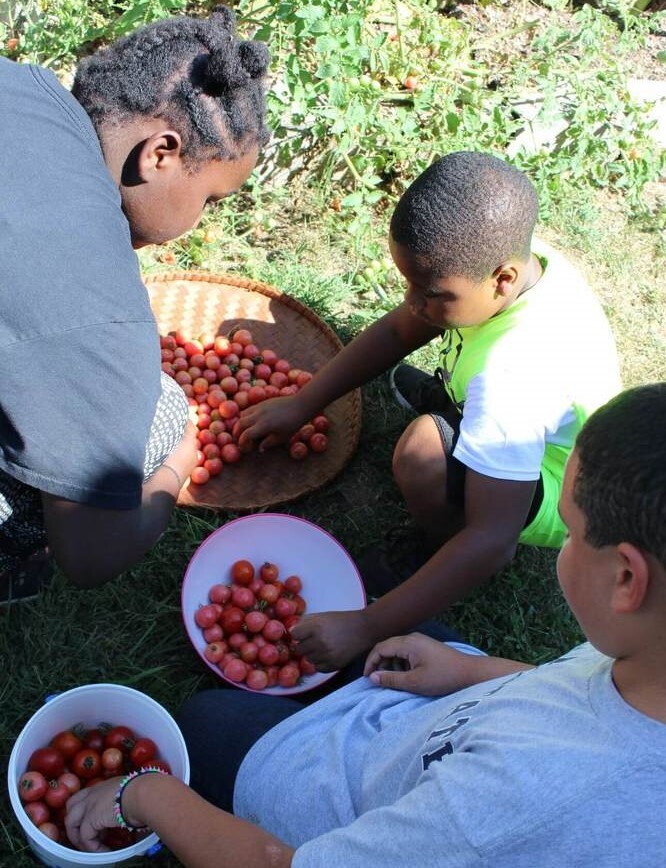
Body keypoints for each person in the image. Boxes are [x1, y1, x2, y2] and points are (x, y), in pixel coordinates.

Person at [63, 383, 666, 867]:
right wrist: (472, 671)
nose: (561, 547)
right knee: (392, 622)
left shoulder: (509, 810)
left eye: (570, 531)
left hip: (335, 804)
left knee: (203, 721)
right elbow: (580, 694)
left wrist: (145, 794)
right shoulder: (646, 654)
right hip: (436, 722)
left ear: (625, 580)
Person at [237, 151, 622, 671]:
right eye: (408, 283)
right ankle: (454, 407)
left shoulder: (514, 377)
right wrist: (305, 402)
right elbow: (400, 329)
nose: (413, 302)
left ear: (502, 279)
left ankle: (436, 542)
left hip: (559, 488)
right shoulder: (514, 263)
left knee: (421, 452)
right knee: (454, 397)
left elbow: (491, 542)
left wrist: (366, 626)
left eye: (432, 293)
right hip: (523, 415)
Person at [0, 6, 269, 598]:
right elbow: (91, 557)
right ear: (160, 154)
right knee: (161, 416)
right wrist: (176, 465)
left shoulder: (26, 86)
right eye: (212, 199)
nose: (201, 221)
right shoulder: (99, 319)